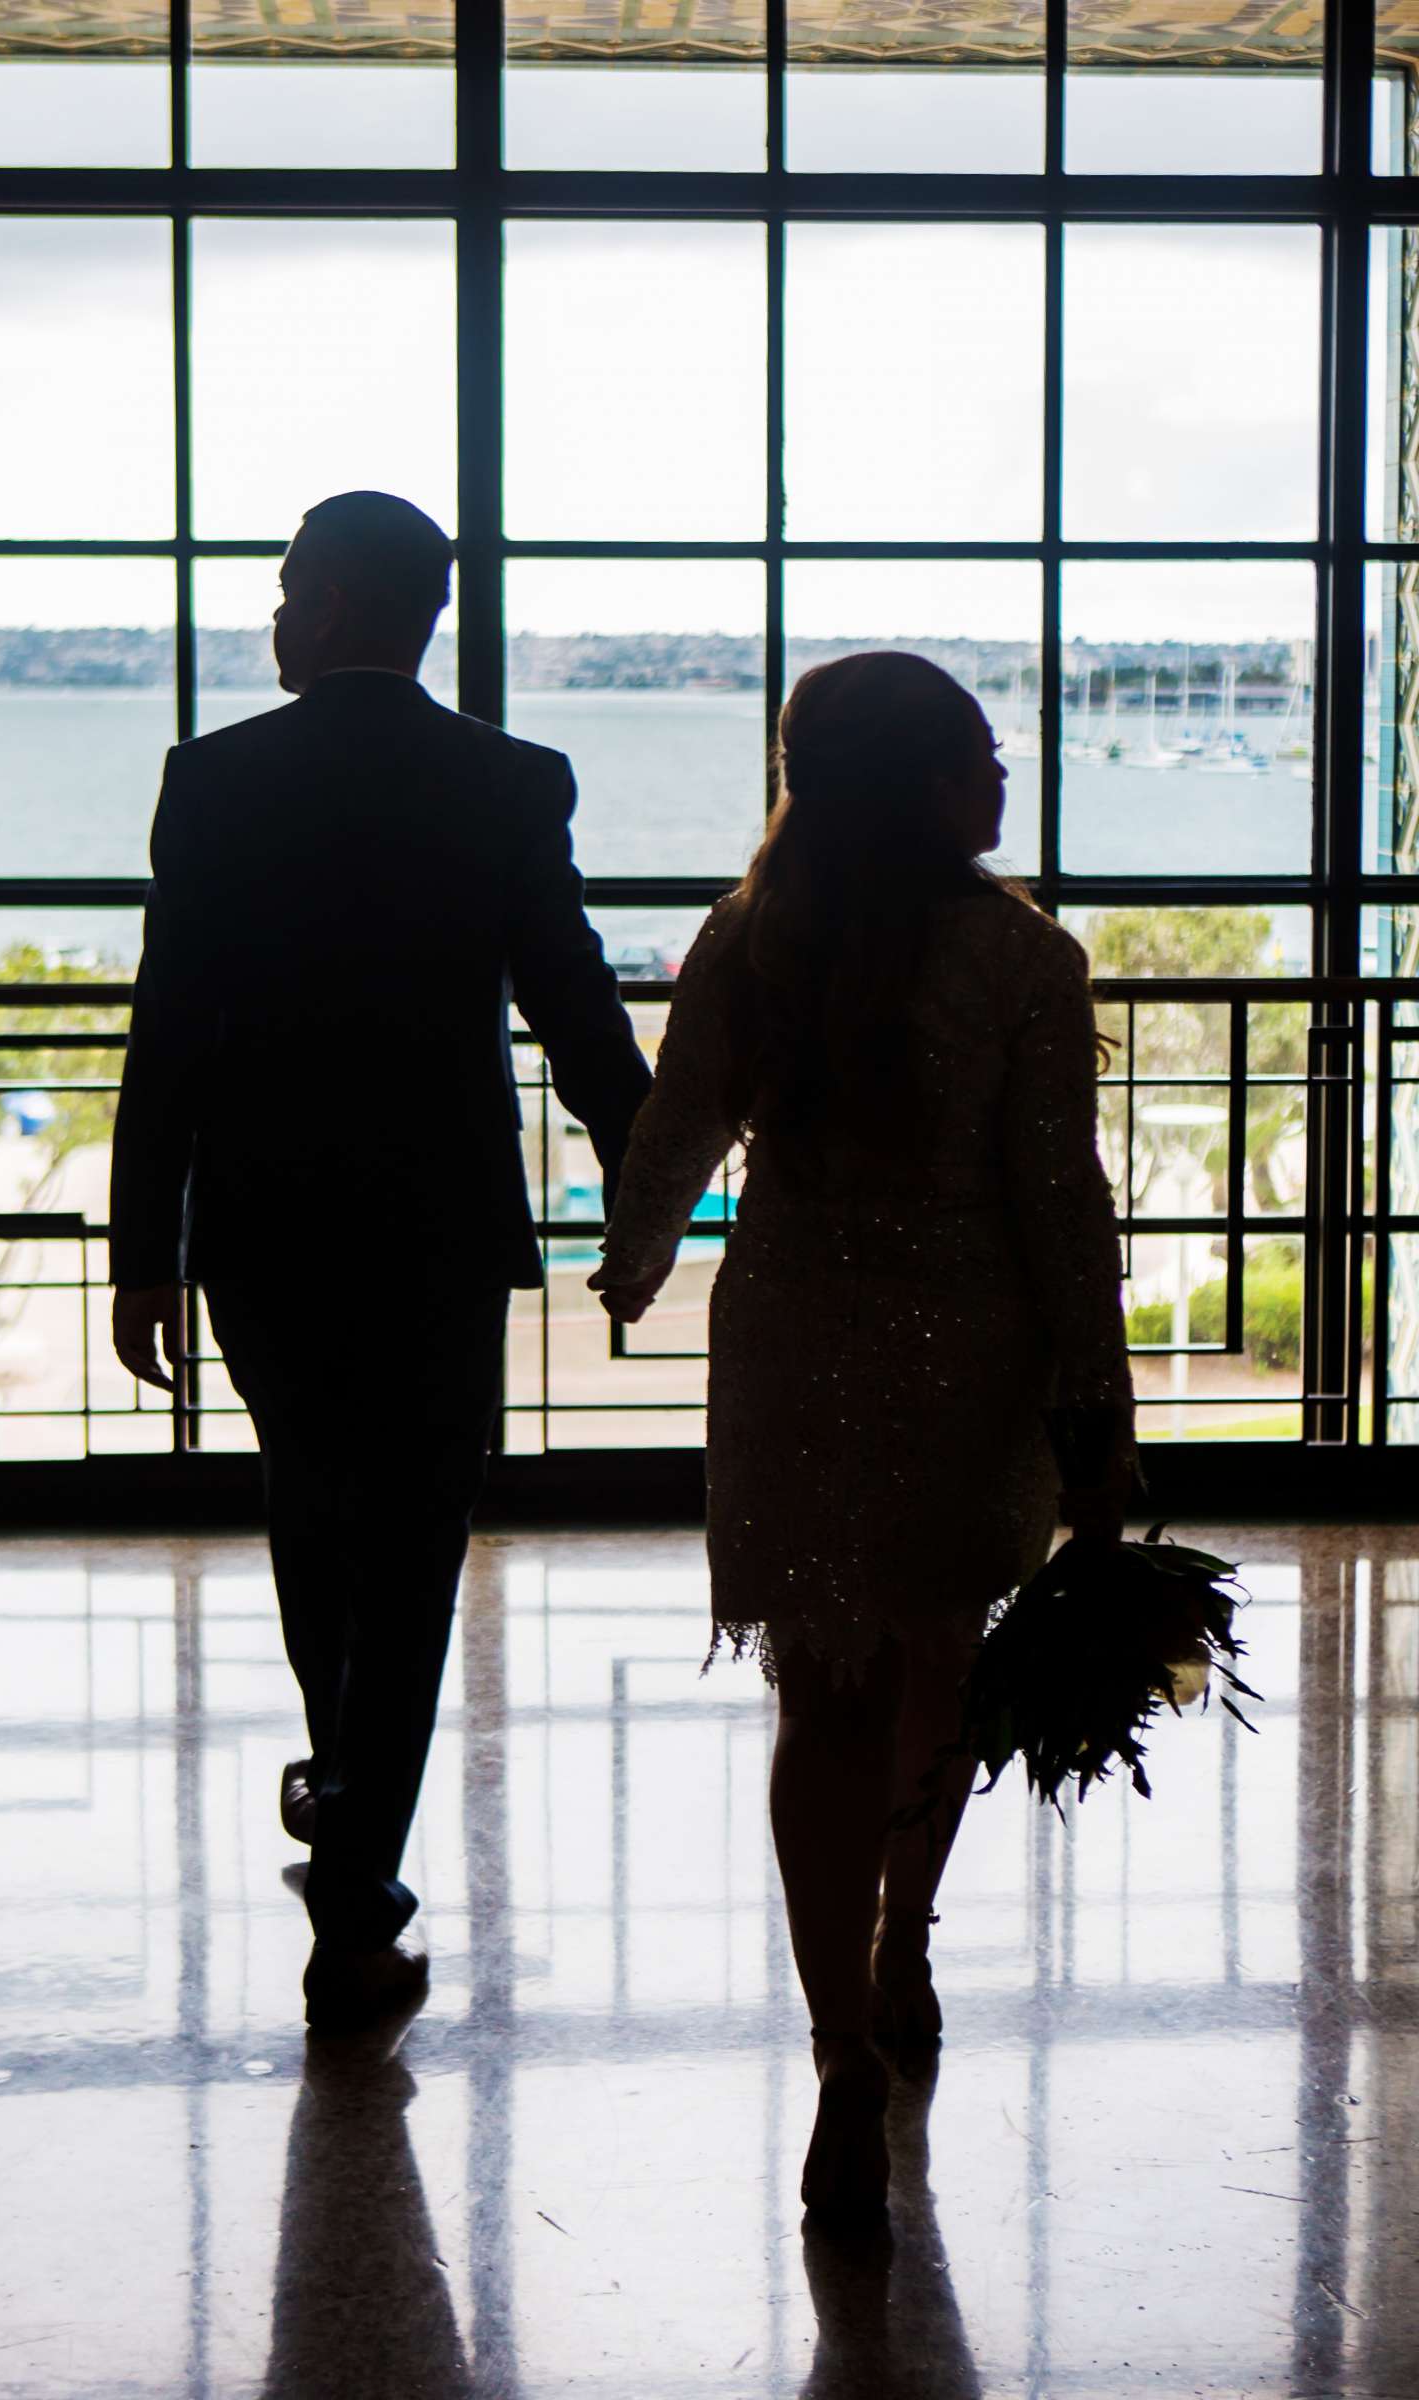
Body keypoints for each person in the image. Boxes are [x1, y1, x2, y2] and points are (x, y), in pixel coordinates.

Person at [591, 652, 1135, 2220]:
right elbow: (1056, 1198)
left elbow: (679, 1122)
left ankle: (839, 2047)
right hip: (969, 1348)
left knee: (821, 1696)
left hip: (794, 1338)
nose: (1004, 774)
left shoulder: (755, 931)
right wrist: (1093, 1403)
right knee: (940, 1656)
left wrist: (635, 1252)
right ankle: (906, 1943)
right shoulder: (1025, 962)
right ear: (920, 782)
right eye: (979, 750)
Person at [110, 490, 651, 2033]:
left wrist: (144, 1246)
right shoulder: (506, 781)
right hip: (438, 1222)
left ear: (341, 602)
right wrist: (648, 1185)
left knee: (310, 1506)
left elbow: (173, 1030)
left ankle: (341, 1784)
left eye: (288, 589)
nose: (273, 617)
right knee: (415, 1542)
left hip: (263, 1223)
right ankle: (356, 1853)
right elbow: (573, 1004)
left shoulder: (211, 782)